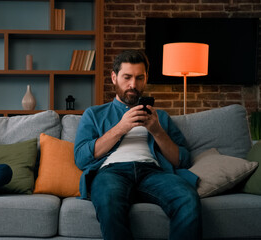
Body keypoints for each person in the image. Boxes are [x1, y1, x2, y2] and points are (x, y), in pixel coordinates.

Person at [74, 50, 202, 240]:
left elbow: (182, 160)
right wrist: (120, 128)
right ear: (114, 77)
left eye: (139, 78)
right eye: (127, 77)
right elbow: (81, 158)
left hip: (153, 172)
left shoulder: (161, 118)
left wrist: (157, 131)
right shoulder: (94, 114)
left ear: (146, 79)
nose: (133, 85)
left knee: (188, 198)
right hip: (111, 172)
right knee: (109, 202)